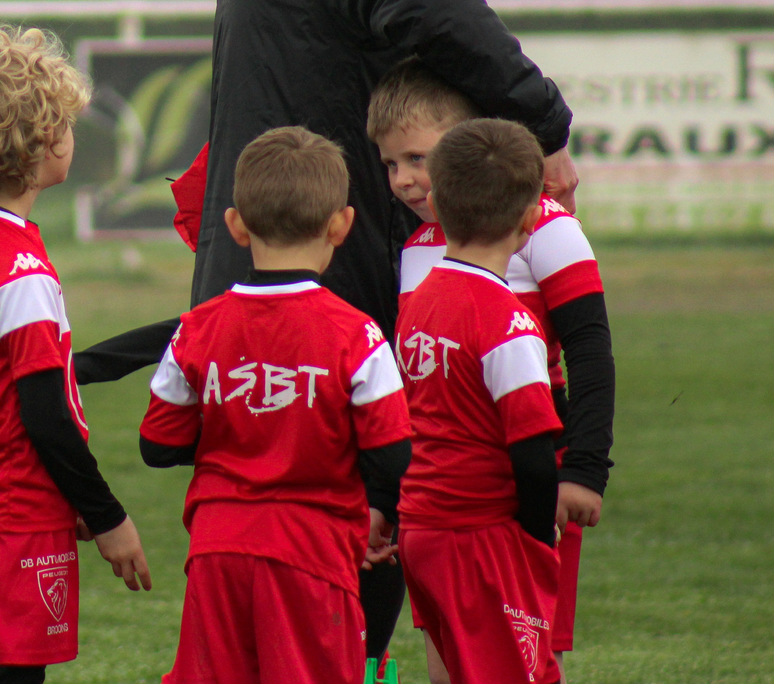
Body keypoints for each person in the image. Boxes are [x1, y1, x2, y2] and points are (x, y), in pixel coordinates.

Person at [78, 0, 577, 660]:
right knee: (353, 556)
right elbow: (431, 3)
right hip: (319, 285)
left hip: (268, 285)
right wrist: (544, 125)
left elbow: (162, 440)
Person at [369, 58, 614, 681]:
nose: (403, 179)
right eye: (391, 164)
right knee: (447, 653)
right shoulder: (419, 249)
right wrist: (391, 495)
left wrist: (584, 469)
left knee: (529, 649)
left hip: (527, 471)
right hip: (439, 496)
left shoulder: (547, 227)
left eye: (418, 158)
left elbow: (589, 348)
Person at [139, 127, 411, 684]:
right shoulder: (358, 336)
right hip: (312, 552)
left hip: (216, 549)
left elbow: (158, 446)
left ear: (235, 225)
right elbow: (392, 458)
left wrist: (239, 420)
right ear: (341, 225)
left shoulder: (195, 329)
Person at [0, 27, 151, 684]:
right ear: (40, 141)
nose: (72, 135)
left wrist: (168, 334)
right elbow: (45, 414)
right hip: (13, 511)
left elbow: (41, 376)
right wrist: (109, 517)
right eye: (67, 123)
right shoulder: (17, 268)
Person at [394, 119, 564, 684]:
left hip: (421, 528)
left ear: (436, 205)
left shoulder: (419, 303)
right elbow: (534, 455)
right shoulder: (508, 323)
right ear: (530, 221)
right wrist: (537, 538)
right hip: (480, 536)